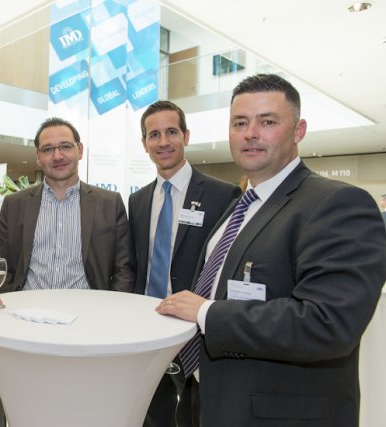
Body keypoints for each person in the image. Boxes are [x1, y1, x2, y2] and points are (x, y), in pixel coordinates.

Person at [157, 74, 386, 426]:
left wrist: (206, 312)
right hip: (208, 401)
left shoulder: (337, 204)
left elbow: (328, 323)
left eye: (267, 122)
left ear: (298, 131)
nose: (250, 133)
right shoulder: (240, 206)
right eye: (240, 123)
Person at [129, 100, 240, 427]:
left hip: (195, 329)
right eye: (154, 135)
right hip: (146, 325)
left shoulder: (222, 195)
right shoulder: (137, 200)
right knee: (151, 413)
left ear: (186, 136)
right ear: (144, 143)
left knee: (194, 415)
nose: (163, 142)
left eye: (172, 132)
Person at [0, 117, 134, 293]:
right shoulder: (14, 204)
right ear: (38, 157)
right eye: (48, 149)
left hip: (89, 306)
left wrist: (111, 306)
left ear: (80, 150)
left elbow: (123, 269)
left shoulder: (110, 204)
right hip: (28, 305)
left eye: (66, 146)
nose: (57, 156)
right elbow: (3, 266)